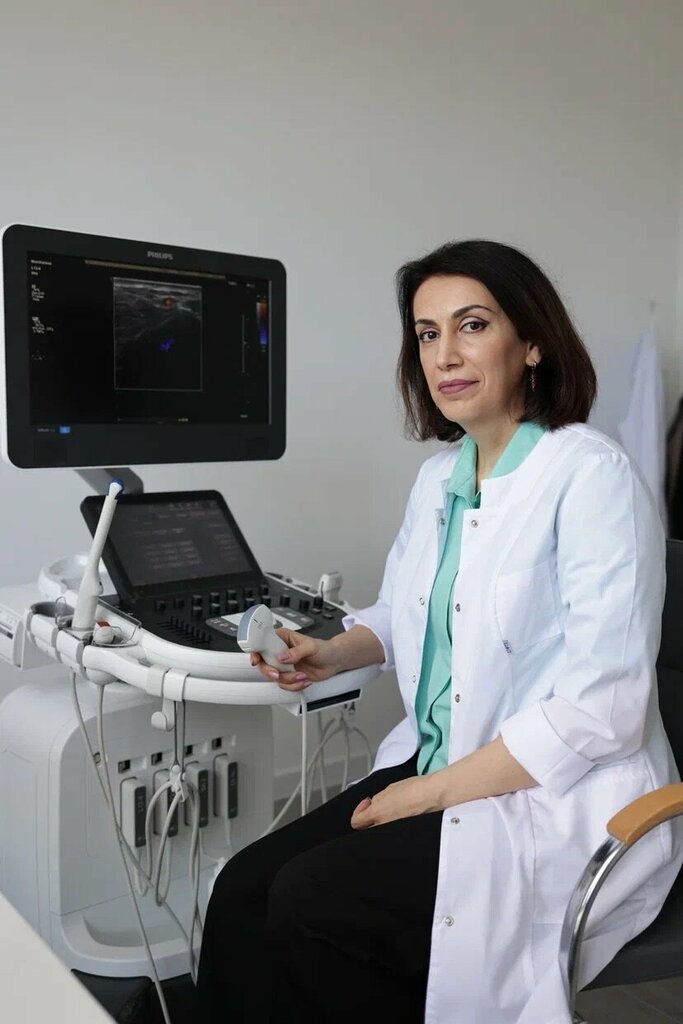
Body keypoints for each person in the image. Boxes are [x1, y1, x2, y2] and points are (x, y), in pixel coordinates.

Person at [196, 240, 683, 1024]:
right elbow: (404, 613)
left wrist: (424, 793)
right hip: (441, 766)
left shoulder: (590, 477)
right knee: (241, 890)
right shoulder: (439, 480)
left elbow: (605, 709)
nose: (444, 355)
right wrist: (332, 651)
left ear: (531, 343)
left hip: (553, 800)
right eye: (427, 334)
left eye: (471, 325)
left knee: (313, 904)